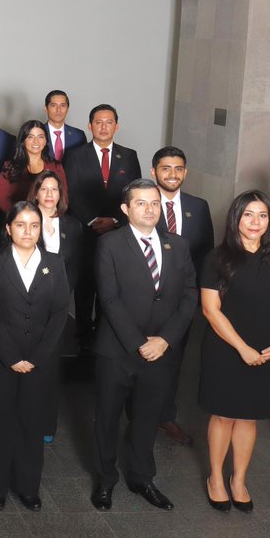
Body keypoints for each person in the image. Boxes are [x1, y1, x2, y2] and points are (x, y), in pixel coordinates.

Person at [91, 179, 196, 512]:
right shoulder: (109, 244)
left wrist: (165, 340)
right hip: (118, 350)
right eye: (141, 203)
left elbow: (189, 295)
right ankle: (106, 480)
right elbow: (109, 298)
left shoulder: (178, 245)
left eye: (154, 203)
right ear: (126, 209)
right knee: (107, 418)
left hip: (161, 350)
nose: (149, 209)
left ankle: (142, 477)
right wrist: (139, 343)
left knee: (147, 417)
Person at [200, 191, 270, 512]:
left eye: (263, 215)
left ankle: (238, 479)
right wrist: (242, 348)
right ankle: (216, 477)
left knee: (249, 418)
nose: (255, 222)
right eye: (248, 215)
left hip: (267, 349)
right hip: (226, 347)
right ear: (236, 218)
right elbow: (211, 310)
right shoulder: (218, 258)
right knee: (225, 414)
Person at [0, 202, 71, 511]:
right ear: (8, 228)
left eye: (34, 225)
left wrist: (37, 356)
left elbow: (59, 313)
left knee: (32, 423)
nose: (27, 231)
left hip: (40, 360)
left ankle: (29, 487)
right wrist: (11, 355)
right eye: (20, 225)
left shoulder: (54, 263)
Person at [63, 104, 142, 349]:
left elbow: (133, 193)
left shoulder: (129, 155)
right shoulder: (75, 155)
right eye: (98, 122)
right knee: (86, 285)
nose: (104, 126)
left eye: (109, 122)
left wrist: (115, 220)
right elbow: (71, 192)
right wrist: (92, 220)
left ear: (116, 126)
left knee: (112, 285)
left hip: (118, 232)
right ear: (90, 125)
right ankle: (83, 335)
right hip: (85, 232)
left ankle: (106, 335)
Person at [151, 147, 214, 446]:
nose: (172, 174)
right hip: (146, 300)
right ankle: (139, 416)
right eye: (166, 168)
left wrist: (200, 298)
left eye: (178, 168)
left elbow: (206, 256)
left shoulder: (198, 207)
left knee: (174, 360)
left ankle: (165, 416)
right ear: (154, 172)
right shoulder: (141, 202)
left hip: (183, 302)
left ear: (185, 172)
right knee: (142, 359)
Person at [28, 170, 83, 446]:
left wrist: (60, 296)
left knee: (49, 365)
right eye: (44, 189)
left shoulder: (72, 226)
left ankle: (46, 422)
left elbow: (73, 268)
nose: (49, 195)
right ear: (35, 192)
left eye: (54, 189)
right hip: (26, 305)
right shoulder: (24, 220)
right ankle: (22, 419)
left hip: (58, 307)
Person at [0, 120, 68, 216]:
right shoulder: (9, 167)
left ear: (46, 141)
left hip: (50, 218)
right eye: (30, 137)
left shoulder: (56, 166)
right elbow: (3, 200)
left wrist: (49, 215)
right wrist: (25, 215)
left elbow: (64, 198)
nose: (36, 141)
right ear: (23, 141)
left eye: (40, 137)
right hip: (19, 219)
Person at [43, 90, 87, 162]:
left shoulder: (79, 135)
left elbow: (83, 163)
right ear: (46, 108)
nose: (58, 110)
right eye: (53, 105)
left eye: (63, 105)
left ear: (68, 109)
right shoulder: (37, 133)